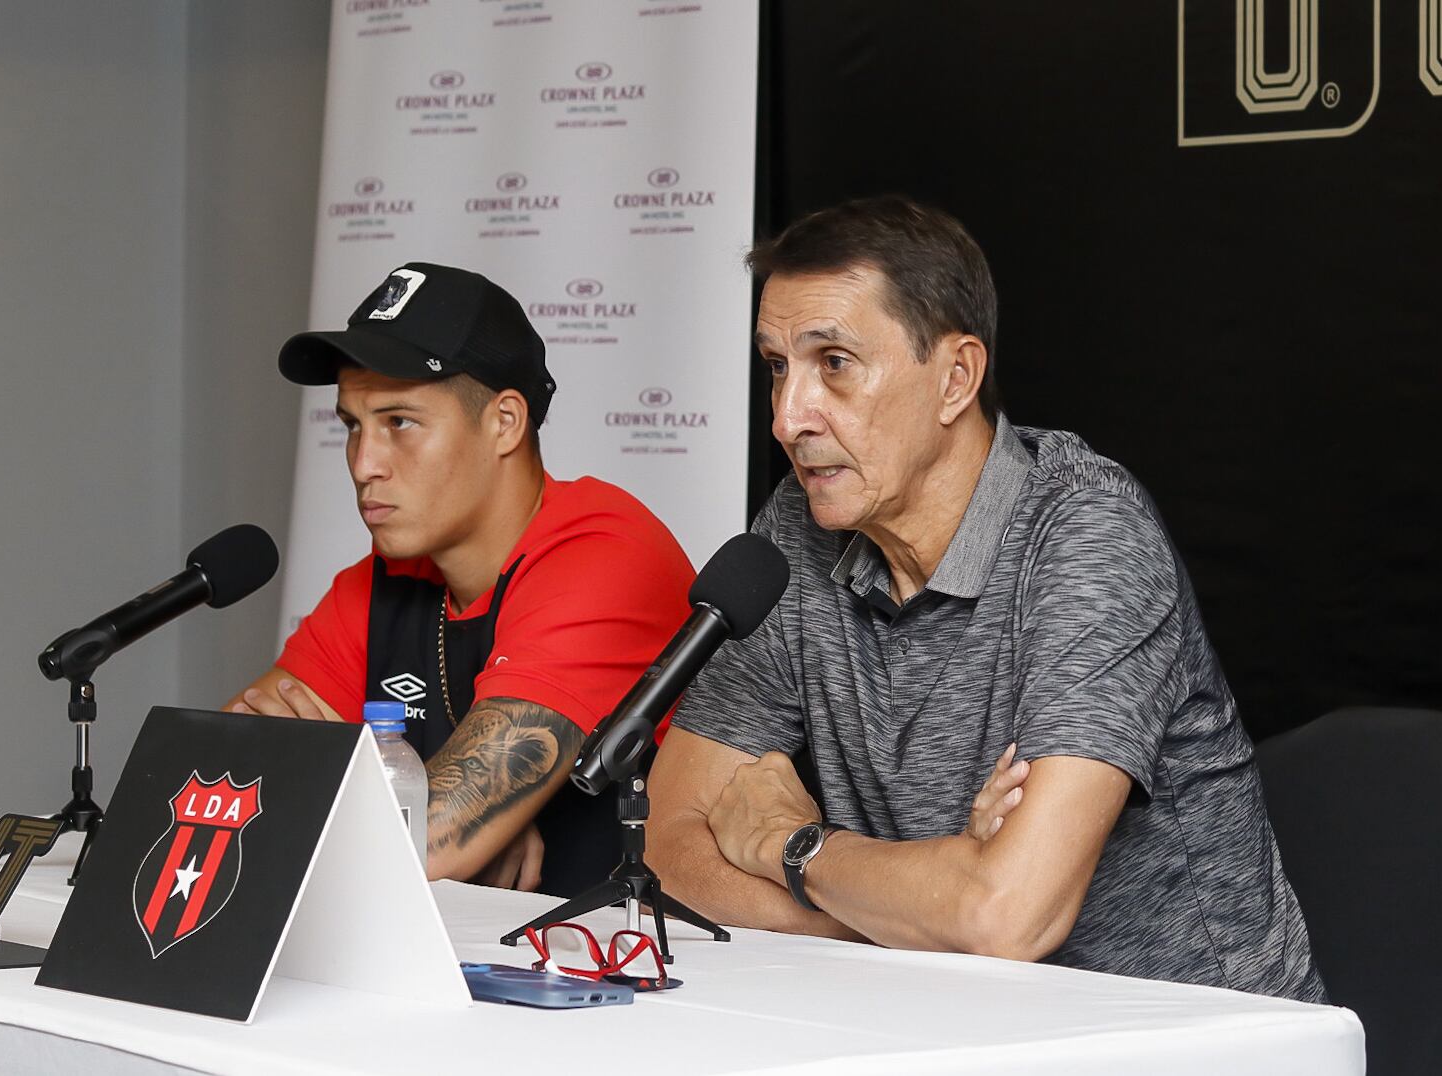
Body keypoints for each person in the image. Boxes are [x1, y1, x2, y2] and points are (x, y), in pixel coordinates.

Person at [648, 197, 1326, 1002]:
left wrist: (793, 848)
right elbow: (668, 848)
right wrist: (918, 916)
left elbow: (1009, 916)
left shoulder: (1085, 532)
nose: (789, 418)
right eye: (776, 367)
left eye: (833, 362)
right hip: (950, 1020)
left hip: (1194, 1041)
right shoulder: (796, 531)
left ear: (956, 379)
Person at [226, 262, 695, 895]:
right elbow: (213, 791)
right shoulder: (379, 583)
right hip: (479, 965)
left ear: (504, 422)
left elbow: (426, 845)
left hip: (644, 972)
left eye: (400, 422)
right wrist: (453, 821)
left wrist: (439, 823)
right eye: (352, 425)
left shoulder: (604, 551)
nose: (364, 464)